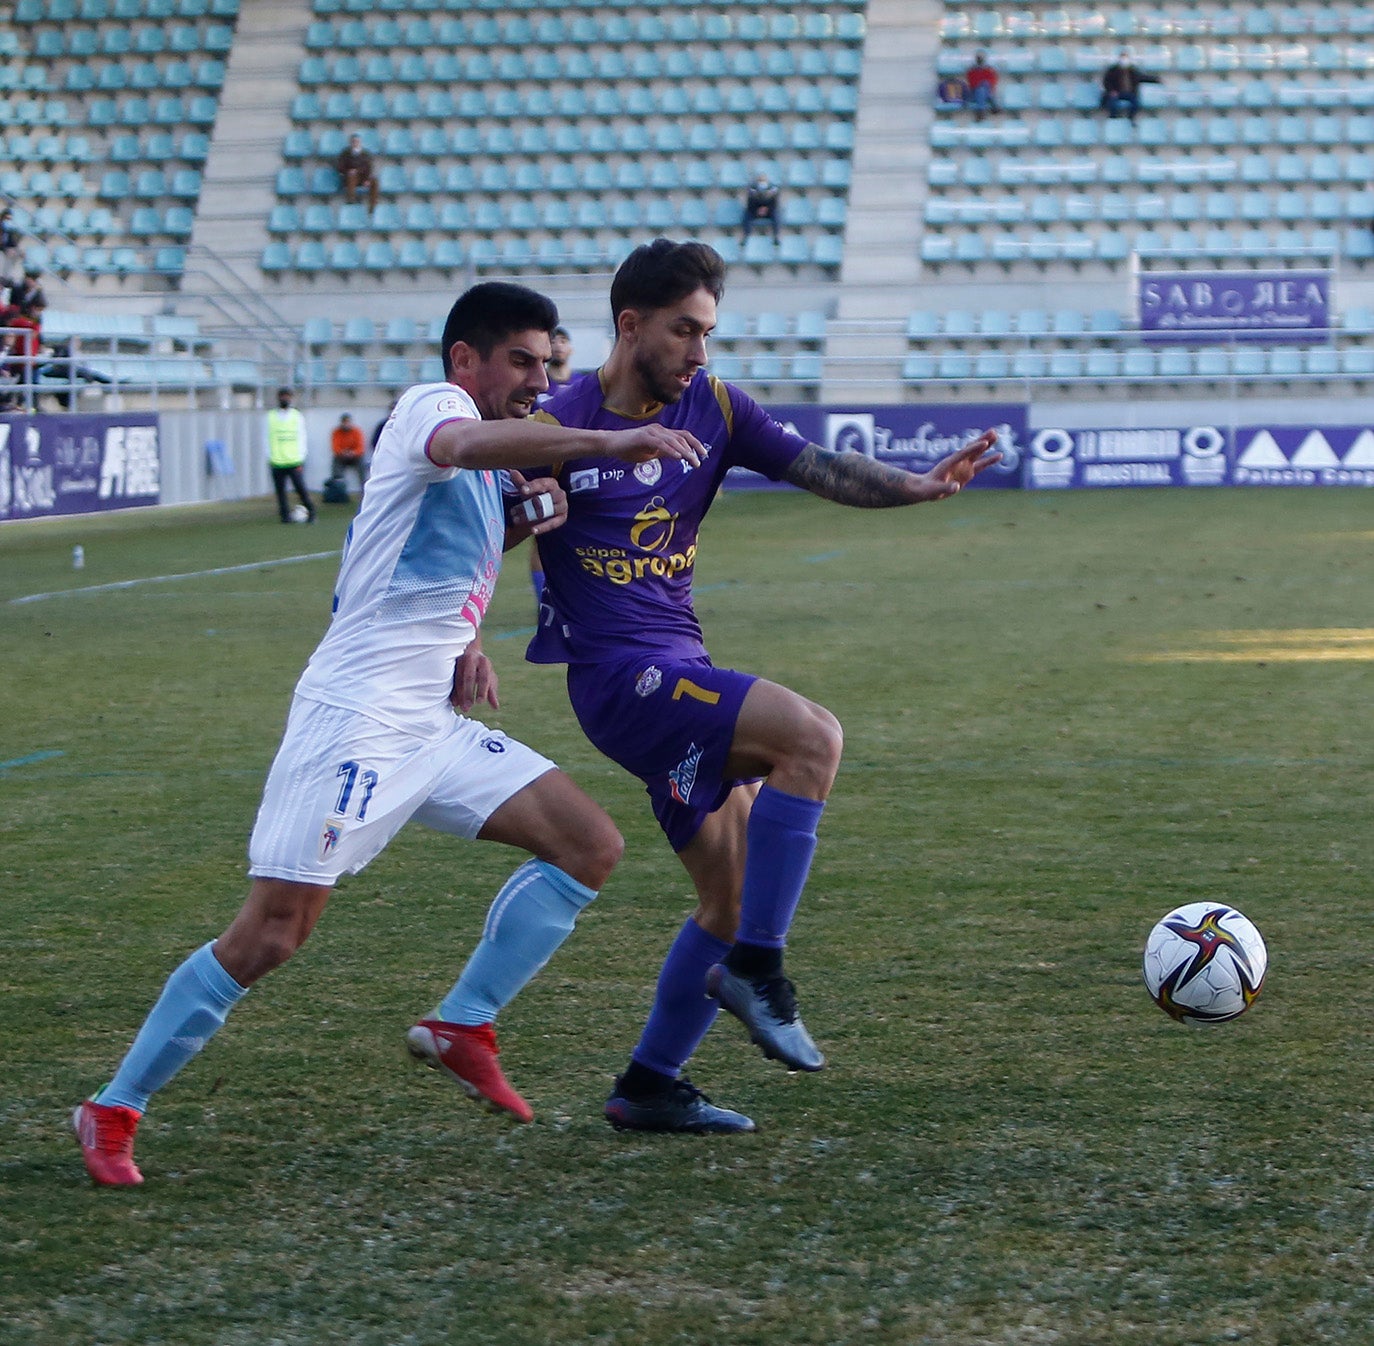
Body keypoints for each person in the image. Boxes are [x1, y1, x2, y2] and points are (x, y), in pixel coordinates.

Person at [71, 281, 704, 1186]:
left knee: (587, 844)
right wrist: (608, 439)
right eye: (521, 360)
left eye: (547, 362)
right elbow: (464, 444)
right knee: (272, 933)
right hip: (357, 717)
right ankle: (113, 1107)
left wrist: (473, 633)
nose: (538, 378)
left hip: (429, 723)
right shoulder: (433, 409)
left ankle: (464, 1023)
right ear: (465, 361)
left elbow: (419, 558)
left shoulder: (488, 471)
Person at [529, 240, 1001, 1134]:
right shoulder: (560, 419)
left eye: (708, 332)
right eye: (686, 331)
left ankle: (649, 1084)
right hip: (621, 679)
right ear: (632, 325)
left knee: (729, 894)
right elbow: (491, 530)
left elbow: (817, 466)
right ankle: (760, 968)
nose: (701, 352)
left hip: (683, 670)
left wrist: (918, 485)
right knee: (811, 738)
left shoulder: (711, 406)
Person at [529, 326, 577, 604]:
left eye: (563, 340)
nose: (559, 346)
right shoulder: (540, 386)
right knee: (543, 534)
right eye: (554, 341)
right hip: (545, 465)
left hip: (577, 466)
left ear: (570, 348)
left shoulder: (582, 383)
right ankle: (544, 599)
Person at [265, 387, 316, 524]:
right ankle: (284, 516)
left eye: (287, 396)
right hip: (277, 460)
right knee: (280, 492)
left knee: (300, 489)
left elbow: (302, 436)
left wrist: (301, 456)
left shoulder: (296, 416)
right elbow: (266, 437)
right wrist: (269, 456)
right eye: (282, 396)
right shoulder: (271, 416)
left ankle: (311, 511)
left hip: (294, 460)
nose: (284, 399)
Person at [1100, 51, 1160, 122]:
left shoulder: (1132, 70)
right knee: (1111, 103)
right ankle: (1113, 117)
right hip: (1116, 92)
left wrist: (1156, 79)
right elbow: (1106, 81)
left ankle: (1130, 118)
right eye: (1122, 58)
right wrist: (1111, 91)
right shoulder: (1112, 70)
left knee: (1136, 103)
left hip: (1129, 93)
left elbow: (1142, 77)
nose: (1124, 60)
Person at [336, 132, 379, 212]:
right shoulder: (345, 153)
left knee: (375, 181)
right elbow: (340, 167)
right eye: (353, 141)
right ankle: (351, 200)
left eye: (357, 141)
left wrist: (367, 179)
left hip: (362, 178)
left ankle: (373, 206)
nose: (355, 143)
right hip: (349, 178)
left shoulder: (366, 154)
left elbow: (369, 167)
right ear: (350, 142)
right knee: (352, 175)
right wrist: (349, 171)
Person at [330, 411, 368, 494]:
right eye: (344, 422)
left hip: (354, 456)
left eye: (347, 422)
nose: (346, 424)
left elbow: (360, 447)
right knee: (335, 462)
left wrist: (353, 453)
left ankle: (364, 488)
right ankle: (338, 488)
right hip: (342, 456)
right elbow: (335, 447)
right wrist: (342, 452)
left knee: (362, 463)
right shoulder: (336, 432)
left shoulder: (356, 431)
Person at [741, 170, 781, 247]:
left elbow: (775, 204)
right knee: (746, 216)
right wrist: (757, 210)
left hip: (769, 211)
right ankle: (746, 236)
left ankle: (776, 236)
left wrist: (766, 209)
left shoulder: (773, 190)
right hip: (755, 211)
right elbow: (749, 204)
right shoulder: (752, 190)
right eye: (760, 181)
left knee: (776, 215)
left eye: (763, 181)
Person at [964, 52, 1001, 120]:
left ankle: (980, 111)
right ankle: (994, 106)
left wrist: (984, 84)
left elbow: (993, 82)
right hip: (974, 94)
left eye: (981, 59)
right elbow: (971, 83)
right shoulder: (972, 70)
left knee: (983, 89)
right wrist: (981, 84)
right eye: (979, 59)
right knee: (981, 90)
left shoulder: (989, 70)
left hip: (986, 91)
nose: (980, 60)